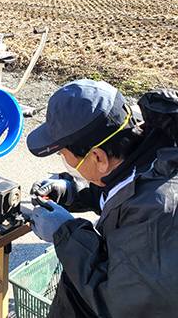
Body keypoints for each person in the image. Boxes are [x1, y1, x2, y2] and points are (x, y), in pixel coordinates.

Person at [25, 79, 178, 317]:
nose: (68, 164)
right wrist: (74, 193)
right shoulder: (148, 157)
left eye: (66, 157)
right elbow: (121, 190)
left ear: (98, 157)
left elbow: (118, 303)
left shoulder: (156, 213)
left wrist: (66, 232)